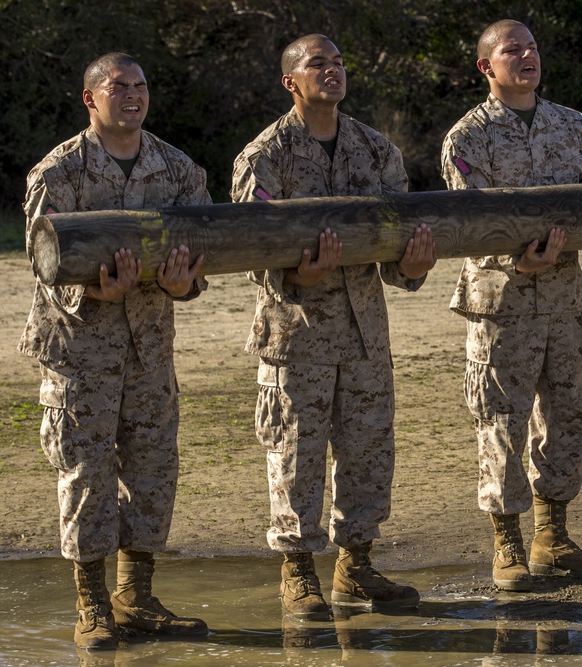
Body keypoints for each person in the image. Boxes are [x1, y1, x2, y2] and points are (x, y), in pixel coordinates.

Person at [230, 34, 436, 618]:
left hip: (365, 332)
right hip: (295, 335)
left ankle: (356, 566)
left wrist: (412, 266)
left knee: (369, 450)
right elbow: (250, 248)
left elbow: (398, 242)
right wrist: (295, 274)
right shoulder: (263, 157)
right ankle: (298, 572)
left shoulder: (376, 151)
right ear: (290, 81)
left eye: (339, 62)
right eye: (318, 64)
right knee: (296, 453)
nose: (333, 72)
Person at [441, 19, 582, 592]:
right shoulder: (467, 139)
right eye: (512, 50)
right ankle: (506, 544)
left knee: (567, 415)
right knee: (500, 422)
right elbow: (467, 225)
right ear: (486, 66)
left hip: (563, 302)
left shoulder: (576, 129)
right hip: (500, 304)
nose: (526, 56)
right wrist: (514, 262)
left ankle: (552, 536)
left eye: (531, 48)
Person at [19, 52, 211, 649]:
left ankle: (137, 596)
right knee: (87, 475)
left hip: (150, 348)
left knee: (153, 470)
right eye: (118, 87)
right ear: (90, 98)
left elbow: (204, 251)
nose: (132, 96)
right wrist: (91, 289)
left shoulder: (179, 169)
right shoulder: (58, 172)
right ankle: (93, 606)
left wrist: (186, 285)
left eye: (141, 87)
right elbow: (43, 262)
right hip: (79, 351)